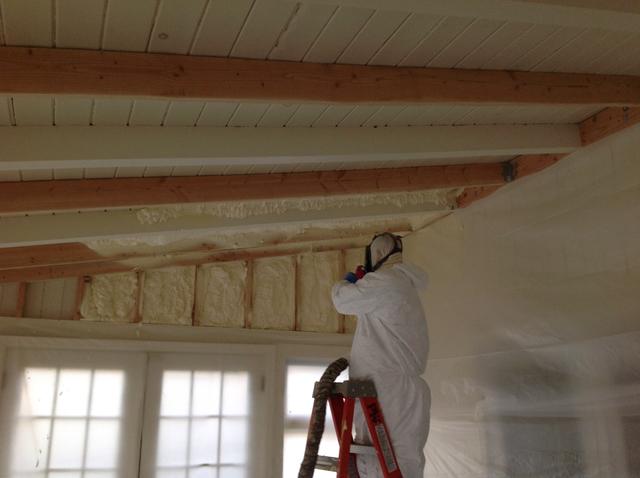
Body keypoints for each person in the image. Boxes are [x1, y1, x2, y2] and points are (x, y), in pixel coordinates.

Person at [331, 233, 431, 477]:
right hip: (393, 387)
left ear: (375, 255)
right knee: (395, 458)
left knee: (383, 458)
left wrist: (351, 279)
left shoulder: (386, 281)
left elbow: (341, 300)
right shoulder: (399, 284)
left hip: (386, 389)